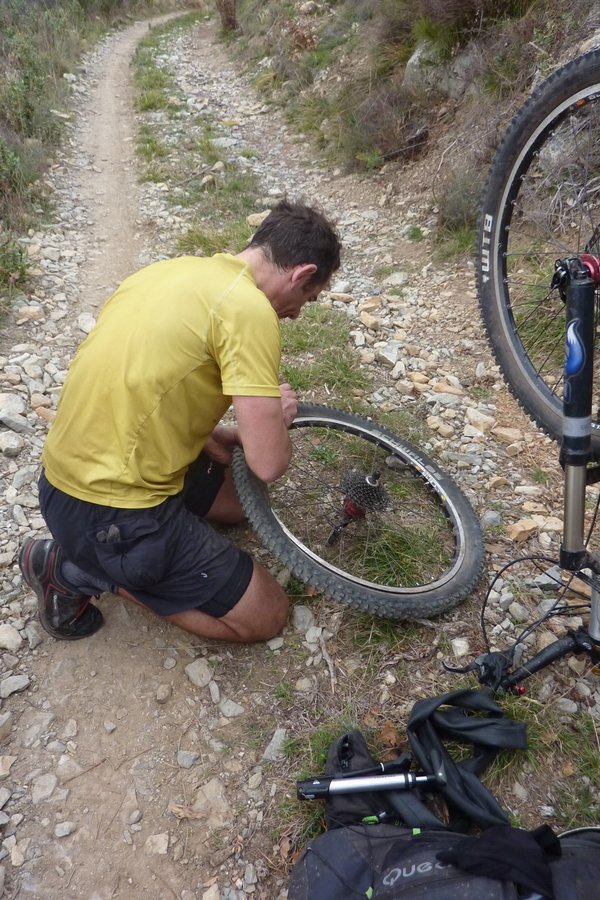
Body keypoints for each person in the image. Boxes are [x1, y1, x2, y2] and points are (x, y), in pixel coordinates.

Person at [19, 200, 341, 644]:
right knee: (267, 614)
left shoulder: (171, 272)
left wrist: (211, 433)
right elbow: (268, 462)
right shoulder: (250, 312)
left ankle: (102, 548)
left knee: (238, 502)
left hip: (61, 481)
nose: (298, 312)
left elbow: (146, 381)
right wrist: (278, 420)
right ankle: (72, 569)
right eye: (308, 297)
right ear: (302, 274)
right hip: (110, 511)